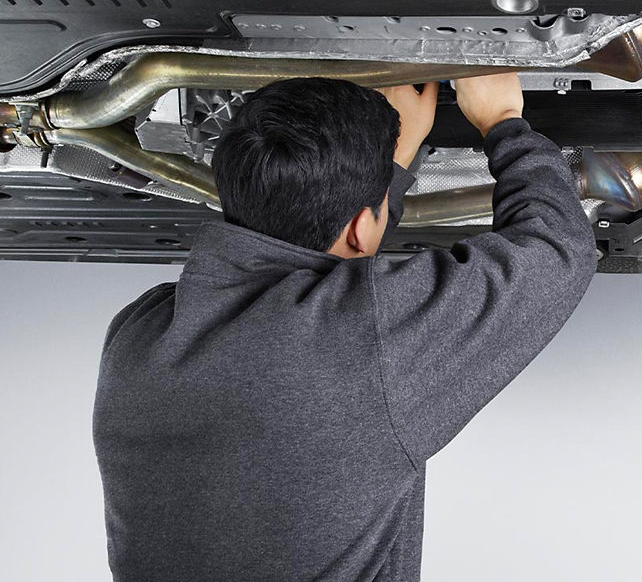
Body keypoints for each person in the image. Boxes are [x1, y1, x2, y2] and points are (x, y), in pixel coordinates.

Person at [92, 73, 597, 580]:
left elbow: (338, 276)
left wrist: (385, 174)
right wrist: (501, 117)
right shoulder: (361, 342)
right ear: (361, 227)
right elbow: (556, 250)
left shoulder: (140, 332)